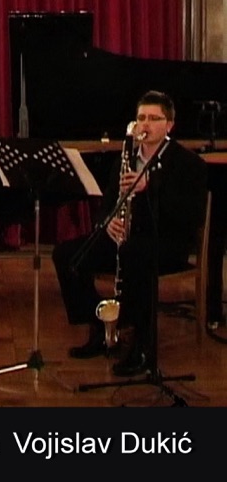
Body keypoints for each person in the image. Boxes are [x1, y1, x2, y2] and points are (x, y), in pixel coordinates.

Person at [51, 90, 207, 377]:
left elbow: (189, 214)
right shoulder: (125, 158)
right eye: (141, 118)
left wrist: (150, 186)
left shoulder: (187, 163)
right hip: (125, 239)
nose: (145, 125)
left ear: (169, 125)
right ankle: (101, 325)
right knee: (67, 255)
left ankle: (142, 346)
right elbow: (108, 203)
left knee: (135, 254)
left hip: (167, 241)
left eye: (154, 119)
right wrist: (107, 221)